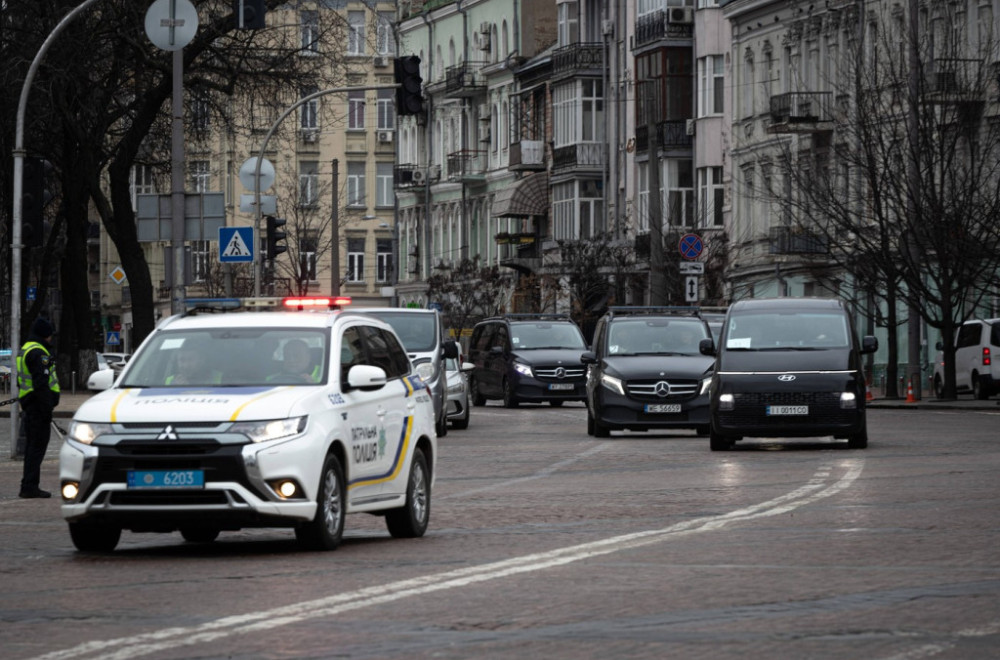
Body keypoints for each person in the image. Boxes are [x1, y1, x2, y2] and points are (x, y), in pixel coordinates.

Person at [16, 317, 60, 498]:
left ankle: (28, 484)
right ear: (45, 335)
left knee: (31, 447)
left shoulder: (26, 349)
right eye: (50, 335)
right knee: (36, 448)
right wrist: (47, 409)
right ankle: (30, 486)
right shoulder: (38, 352)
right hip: (38, 407)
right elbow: (41, 384)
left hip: (30, 405)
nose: (51, 339)